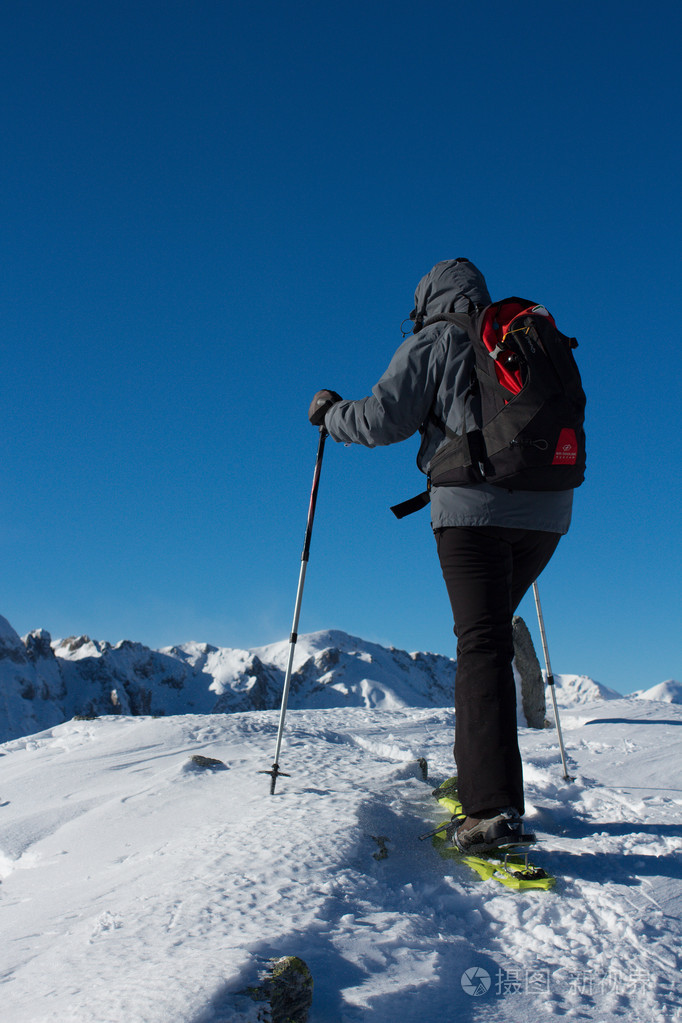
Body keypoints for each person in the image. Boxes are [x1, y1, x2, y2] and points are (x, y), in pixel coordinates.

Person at [308, 257, 573, 854]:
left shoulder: (436, 338)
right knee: (489, 639)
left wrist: (330, 415)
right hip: (550, 513)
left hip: (472, 511)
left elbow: (381, 420)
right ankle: (485, 781)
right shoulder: (526, 338)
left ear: (429, 301)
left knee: (481, 643)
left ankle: (489, 811)